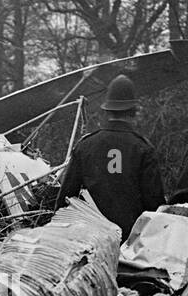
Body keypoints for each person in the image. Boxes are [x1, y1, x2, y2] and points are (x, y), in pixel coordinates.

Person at [58, 74, 165, 239]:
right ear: (133, 112)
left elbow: (65, 199)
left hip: (91, 238)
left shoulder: (85, 145)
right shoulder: (143, 148)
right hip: (130, 242)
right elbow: (154, 205)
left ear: (107, 110)